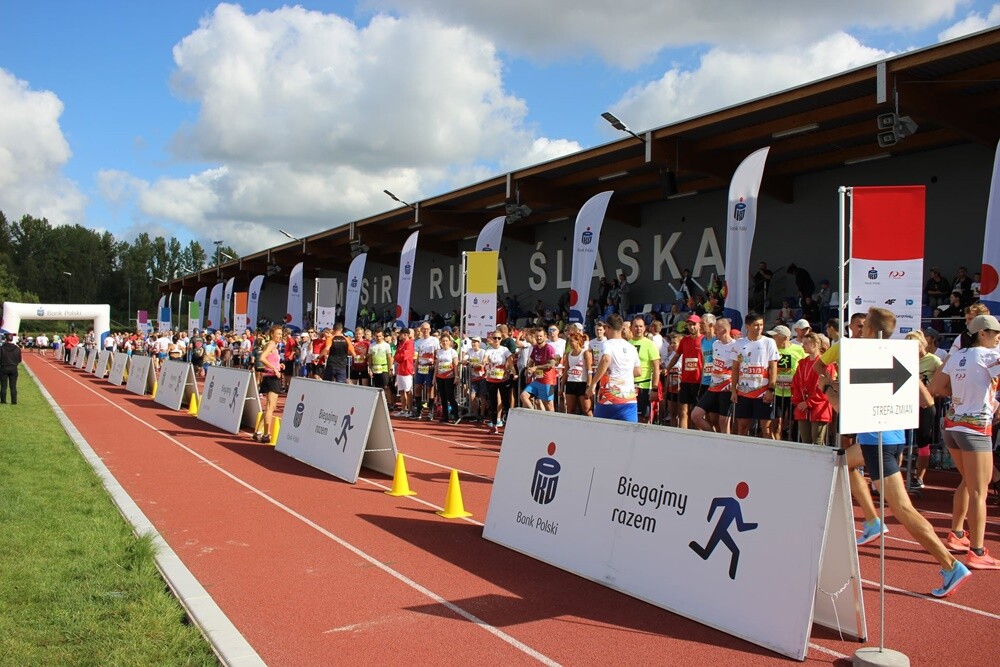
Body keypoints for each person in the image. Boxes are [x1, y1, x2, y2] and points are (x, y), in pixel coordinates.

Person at [818, 306, 971, 597]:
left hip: (878, 441)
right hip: (890, 436)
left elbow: (847, 411)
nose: (857, 331)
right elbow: (926, 401)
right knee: (840, 463)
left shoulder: (863, 357)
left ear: (870, 330)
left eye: (862, 327)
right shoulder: (897, 354)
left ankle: (950, 565)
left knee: (902, 509)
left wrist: (827, 388)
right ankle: (873, 522)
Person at [930, 314, 1000, 569]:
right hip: (975, 427)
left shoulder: (956, 355)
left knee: (969, 483)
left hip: (952, 424)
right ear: (982, 333)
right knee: (980, 490)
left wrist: (963, 395)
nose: (998, 338)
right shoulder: (988, 355)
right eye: (995, 333)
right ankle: (978, 551)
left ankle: (957, 533)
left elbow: (937, 386)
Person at [731, 312, 779, 438]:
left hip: (763, 392)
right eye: (756, 325)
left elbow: (773, 367)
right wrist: (733, 390)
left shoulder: (769, 342)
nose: (759, 328)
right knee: (742, 427)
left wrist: (771, 390)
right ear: (747, 326)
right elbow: (735, 368)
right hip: (743, 392)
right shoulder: (739, 343)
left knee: (766, 429)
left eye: (761, 325)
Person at [587, 314, 640, 422]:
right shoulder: (631, 347)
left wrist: (593, 384)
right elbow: (638, 371)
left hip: (610, 397)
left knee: (599, 432)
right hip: (629, 399)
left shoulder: (607, 344)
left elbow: (606, 359)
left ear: (607, 328)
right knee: (629, 435)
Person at [907, 330, 941, 490]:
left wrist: (932, 390)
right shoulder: (905, 360)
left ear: (922, 344)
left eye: (915, 345)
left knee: (923, 442)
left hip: (926, 406)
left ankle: (919, 477)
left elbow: (944, 381)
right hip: (907, 406)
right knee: (901, 442)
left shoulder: (934, 360)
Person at [691, 319, 737, 433]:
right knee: (696, 415)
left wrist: (734, 387)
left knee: (723, 421)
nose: (714, 332)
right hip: (713, 386)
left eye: (717, 330)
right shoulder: (715, 344)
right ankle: (713, 436)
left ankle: (726, 446)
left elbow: (738, 367)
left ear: (725, 330)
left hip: (727, 387)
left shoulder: (736, 345)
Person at [790, 332, 832, 445]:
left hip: (819, 407)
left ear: (814, 344)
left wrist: (808, 403)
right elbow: (795, 384)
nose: (802, 346)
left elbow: (825, 387)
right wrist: (799, 402)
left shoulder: (825, 363)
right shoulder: (803, 363)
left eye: (806, 343)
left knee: (817, 442)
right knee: (805, 442)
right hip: (803, 408)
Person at [663, 314, 704, 429]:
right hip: (685, 380)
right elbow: (676, 356)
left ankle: (697, 438)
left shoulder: (704, 340)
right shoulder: (684, 341)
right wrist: (668, 368)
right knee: (683, 411)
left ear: (699, 325)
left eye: (694, 324)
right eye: (689, 325)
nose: (691, 327)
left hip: (698, 381)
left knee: (696, 413)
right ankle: (682, 437)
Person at [770, 324, 807, 441]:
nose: (773, 339)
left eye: (775, 336)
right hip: (777, 391)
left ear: (785, 338)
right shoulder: (772, 349)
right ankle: (777, 444)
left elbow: (805, 366)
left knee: (793, 422)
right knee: (777, 421)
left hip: (793, 392)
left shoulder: (798, 349)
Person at [252, 326, 284, 443]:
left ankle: (258, 432)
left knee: (271, 407)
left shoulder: (274, 346)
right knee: (270, 407)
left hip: (273, 377)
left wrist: (279, 366)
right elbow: (262, 358)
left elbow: (271, 360)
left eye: (281, 334)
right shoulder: (271, 344)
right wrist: (274, 369)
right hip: (271, 378)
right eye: (278, 334)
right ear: (272, 334)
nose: (280, 336)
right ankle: (266, 434)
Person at [629, 317, 660, 422]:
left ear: (645, 328)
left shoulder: (650, 344)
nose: (638, 329)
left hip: (644, 386)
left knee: (642, 419)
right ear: (631, 328)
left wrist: (655, 389)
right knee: (628, 417)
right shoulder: (627, 344)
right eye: (636, 326)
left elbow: (656, 368)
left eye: (641, 326)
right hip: (628, 387)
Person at [521, 328, 558, 411]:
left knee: (548, 404)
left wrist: (536, 367)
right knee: (524, 396)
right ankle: (534, 413)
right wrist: (528, 368)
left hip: (549, 381)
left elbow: (551, 365)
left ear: (545, 337)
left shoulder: (549, 348)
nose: (538, 338)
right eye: (537, 336)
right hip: (538, 380)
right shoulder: (535, 348)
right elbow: (531, 360)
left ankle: (552, 422)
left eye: (540, 336)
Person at [562, 331, 593, 416]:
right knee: (570, 410)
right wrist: (561, 387)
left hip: (582, 383)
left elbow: (589, 371)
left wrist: (588, 386)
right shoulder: (568, 354)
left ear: (577, 341)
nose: (570, 343)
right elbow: (565, 371)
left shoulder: (585, 353)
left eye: (571, 341)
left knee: (586, 409)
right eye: (569, 341)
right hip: (571, 383)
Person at [434, 331, 460, 423]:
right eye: (443, 341)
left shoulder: (453, 352)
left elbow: (455, 365)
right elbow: (437, 365)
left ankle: (456, 415)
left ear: (449, 342)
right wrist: (434, 377)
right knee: (443, 396)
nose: (445, 342)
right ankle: (445, 416)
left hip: (450, 377)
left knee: (450, 396)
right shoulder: (439, 352)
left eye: (446, 341)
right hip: (440, 376)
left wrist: (456, 376)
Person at [392, 328, 415, 417]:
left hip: (407, 370)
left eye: (400, 334)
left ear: (405, 335)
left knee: (408, 391)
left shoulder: (410, 344)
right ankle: (403, 409)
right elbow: (396, 355)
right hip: (400, 370)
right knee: (402, 390)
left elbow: (403, 356)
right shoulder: (401, 344)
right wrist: (398, 357)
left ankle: (410, 410)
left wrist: (398, 357)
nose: (399, 336)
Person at [368, 329, 393, 407]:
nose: (378, 338)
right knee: (377, 387)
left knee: (386, 386)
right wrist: (370, 369)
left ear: (383, 336)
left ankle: (390, 404)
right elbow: (370, 358)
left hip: (384, 367)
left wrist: (390, 369)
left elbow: (389, 358)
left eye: (380, 336)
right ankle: (378, 404)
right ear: (374, 336)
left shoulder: (386, 345)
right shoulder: (372, 345)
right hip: (375, 368)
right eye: (377, 336)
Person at [0, 334, 22, 405]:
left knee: (3, 386)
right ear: (12, 339)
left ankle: (3, 401)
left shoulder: (1, 348)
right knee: (13, 386)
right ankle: (14, 401)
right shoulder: (17, 348)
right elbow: (19, 359)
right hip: (13, 368)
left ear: (5, 339)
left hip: (4, 367)